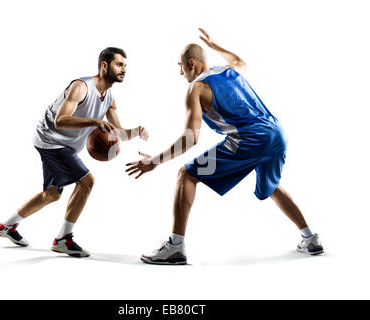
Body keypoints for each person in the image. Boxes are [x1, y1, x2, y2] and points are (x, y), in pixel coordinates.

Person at [125, 29, 323, 265]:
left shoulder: (195, 89)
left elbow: (190, 138)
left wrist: (155, 161)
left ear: (191, 63)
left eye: (180, 66)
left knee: (186, 175)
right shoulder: (229, 71)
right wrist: (214, 45)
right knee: (272, 187)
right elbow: (240, 61)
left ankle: (175, 247)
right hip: (276, 134)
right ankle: (310, 238)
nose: (180, 72)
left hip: (249, 142)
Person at [0, 47, 148, 257]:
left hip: (64, 146)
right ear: (105, 65)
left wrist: (135, 132)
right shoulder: (81, 87)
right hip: (51, 140)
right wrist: (94, 121)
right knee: (87, 181)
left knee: (51, 194)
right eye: (119, 64)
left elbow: (117, 133)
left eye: (125, 65)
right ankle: (63, 239)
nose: (124, 69)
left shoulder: (110, 97)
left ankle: (6, 226)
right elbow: (60, 120)